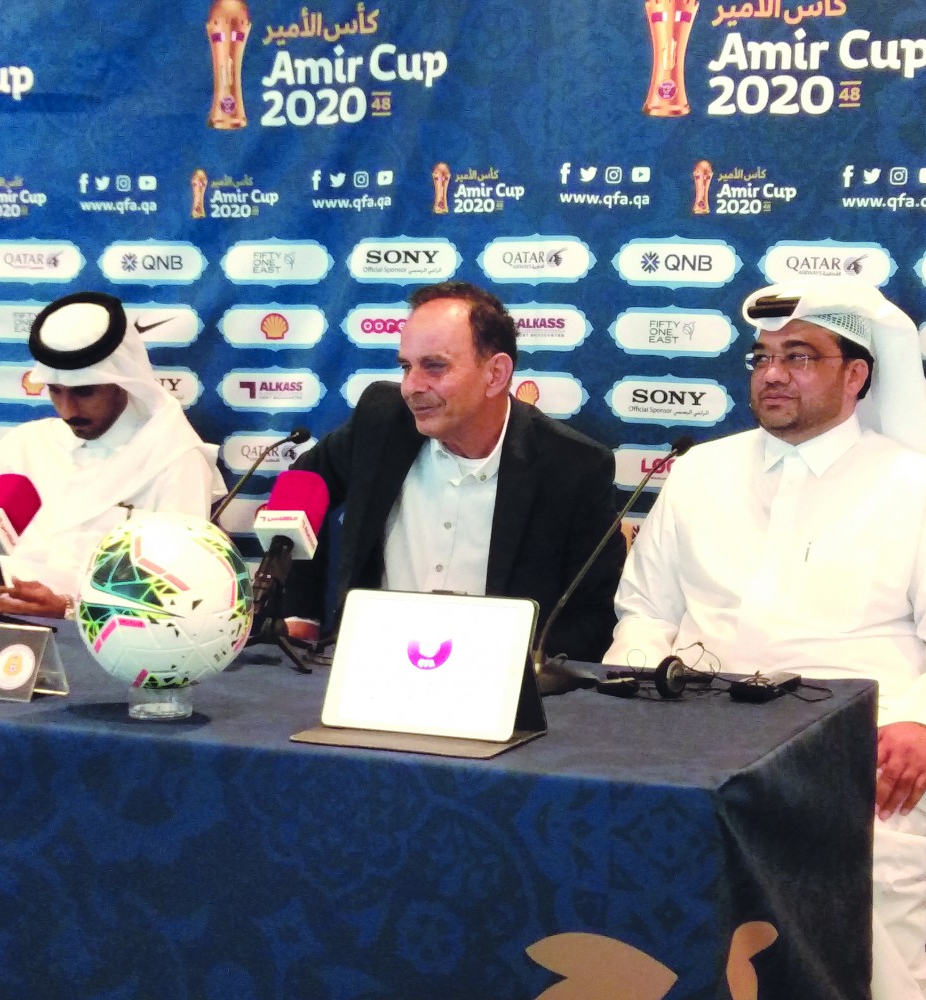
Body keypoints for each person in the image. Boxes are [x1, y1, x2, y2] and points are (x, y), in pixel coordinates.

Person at [603, 277, 926, 1000]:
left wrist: (919, 722)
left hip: (863, 761)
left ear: (856, 376)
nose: (773, 374)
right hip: (695, 750)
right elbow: (645, 611)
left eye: (799, 356)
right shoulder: (700, 471)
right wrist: (632, 712)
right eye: (763, 357)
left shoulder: (913, 484)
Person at [283, 280, 625, 663]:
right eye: (406, 366)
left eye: (435, 366)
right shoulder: (381, 421)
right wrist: (301, 614)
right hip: (369, 664)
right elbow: (300, 490)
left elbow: (593, 619)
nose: (411, 387)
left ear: (495, 374)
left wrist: (496, 661)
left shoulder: (573, 468)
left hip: (493, 676)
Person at [0, 290, 223, 619]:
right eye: (55, 391)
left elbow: (176, 593)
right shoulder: (23, 444)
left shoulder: (174, 459)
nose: (68, 410)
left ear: (123, 382)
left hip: (101, 645)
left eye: (84, 392)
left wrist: (71, 612)